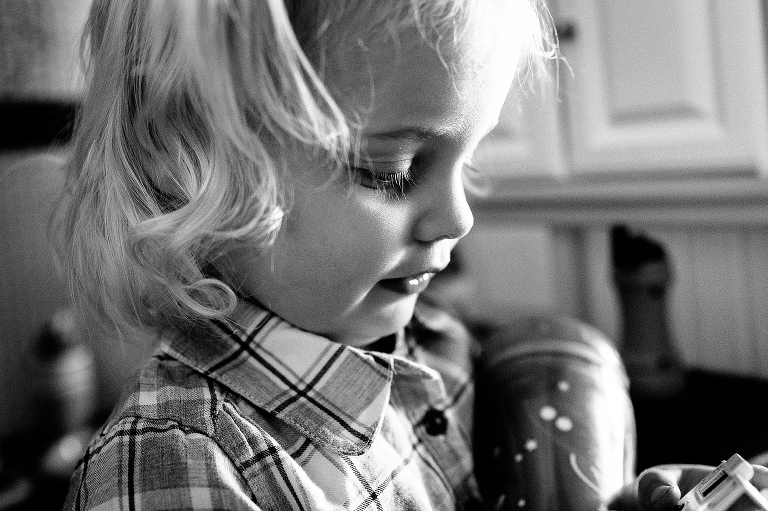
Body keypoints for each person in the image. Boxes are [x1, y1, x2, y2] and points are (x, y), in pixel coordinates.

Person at [55, 0, 767, 509]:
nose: (459, 217)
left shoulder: (438, 350)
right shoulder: (174, 468)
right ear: (189, 164)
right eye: (390, 170)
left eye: (470, 156)